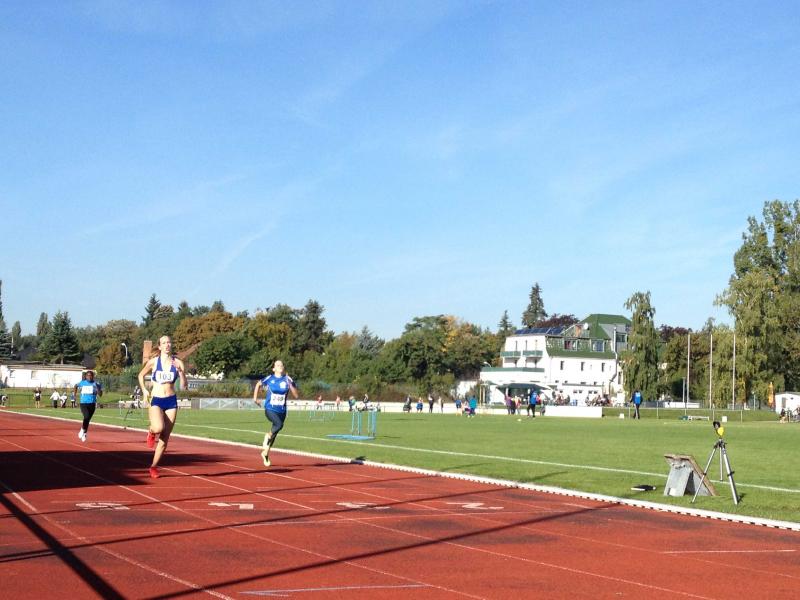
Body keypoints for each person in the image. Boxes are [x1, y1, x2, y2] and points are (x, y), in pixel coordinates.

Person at [138, 335, 187, 479]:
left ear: (171, 345)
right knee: (159, 428)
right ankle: (151, 431)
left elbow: (184, 386)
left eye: (169, 342)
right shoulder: (154, 362)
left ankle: (153, 466)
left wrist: (181, 372)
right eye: (164, 343)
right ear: (159, 346)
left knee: (165, 438)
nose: (167, 345)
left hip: (171, 401)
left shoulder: (178, 362)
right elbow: (141, 375)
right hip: (157, 399)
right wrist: (144, 390)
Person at [252, 360, 298, 467]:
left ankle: (265, 453)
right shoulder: (270, 378)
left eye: (281, 364)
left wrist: (290, 385)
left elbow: (296, 395)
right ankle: (267, 436)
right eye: (277, 365)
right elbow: (258, 384)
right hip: (270, 409)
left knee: (275, 432)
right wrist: (255, 399)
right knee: (278, 425)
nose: (280, 366)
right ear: (274, 369)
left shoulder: (288, 379)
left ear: (283, 368)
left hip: (282, 411)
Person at [74, 370, 103, 442]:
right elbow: (75, 386)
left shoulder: (96, 384)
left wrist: (98, 388)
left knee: (88, 419)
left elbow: (100, 395)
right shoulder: (82, 383)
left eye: (91, 375)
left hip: (92, 404)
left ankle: (84, 433)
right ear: (86, 376)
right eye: (88, 375)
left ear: (93, 376)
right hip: (83, 403)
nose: (89, 377)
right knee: (86, 416)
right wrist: (74, 394)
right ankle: (82, 430)